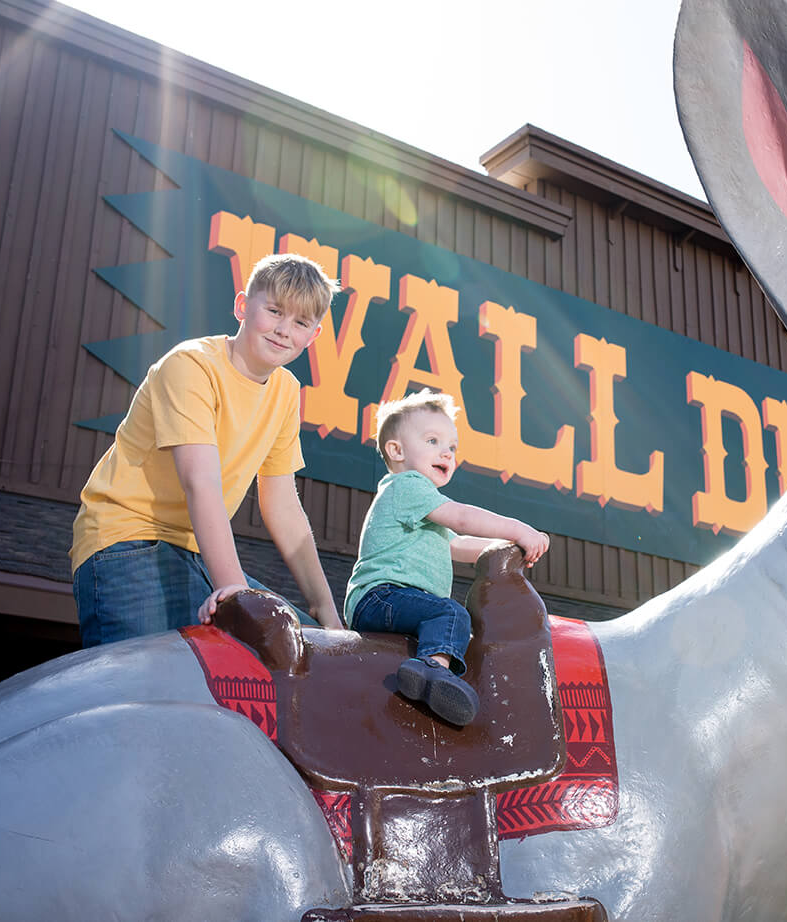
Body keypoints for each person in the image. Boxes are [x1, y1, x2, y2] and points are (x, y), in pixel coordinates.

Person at [70, 253, 344, 646]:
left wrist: (324, 608)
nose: (284, 330)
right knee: (147, 682)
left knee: (302, 650)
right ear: (242, 306)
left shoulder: (286, 392)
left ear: (314, 335)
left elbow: (282, 504)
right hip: (128, 538)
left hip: (194, 553)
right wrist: (234, 590)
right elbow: (200, 481)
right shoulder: (191, 365)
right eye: (274, 311)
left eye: (300, 322)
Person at [346, 390, 549, 726]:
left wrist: (508, 549)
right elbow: (463, 518)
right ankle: (432, 670)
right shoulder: (406, 486)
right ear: (396, 451)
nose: (446, 452)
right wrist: (518, 529)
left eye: (452, 447)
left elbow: (459, 544)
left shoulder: (425, 511)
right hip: (382, 597)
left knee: (447, 614)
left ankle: (432, 675)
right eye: (432, 440)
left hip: (392, 601)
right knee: (452, 613)